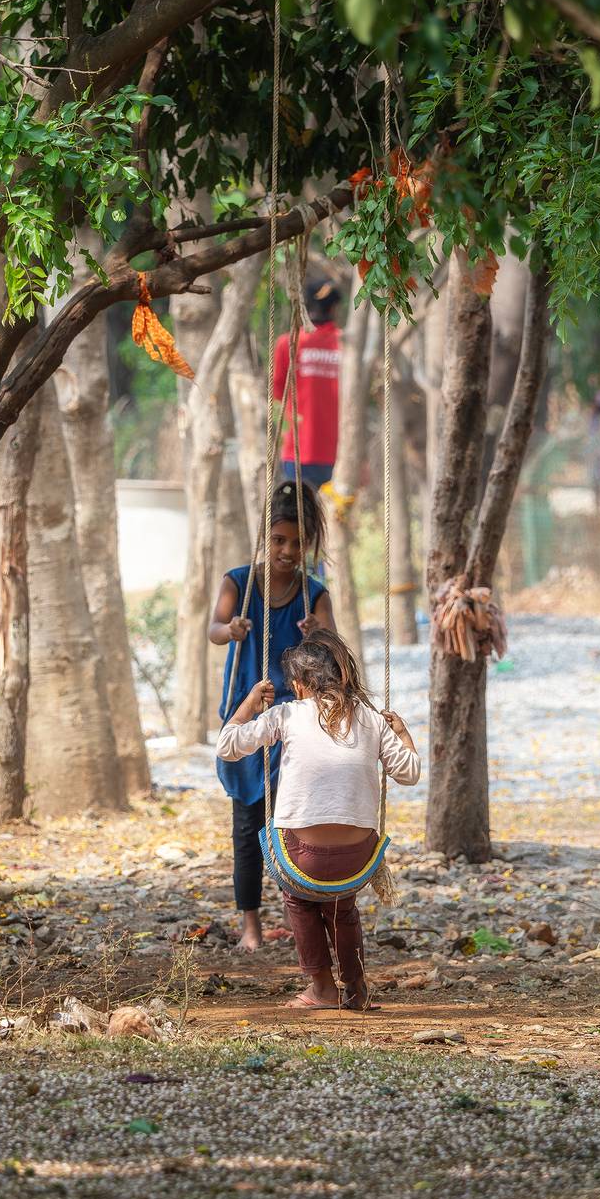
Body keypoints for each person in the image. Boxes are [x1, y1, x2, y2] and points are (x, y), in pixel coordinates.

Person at [215, 630, 420, 1010]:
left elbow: (227, 747)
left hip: (301, 858)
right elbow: (409, 773)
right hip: (357, 859)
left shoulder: (287, 713)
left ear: (299, 684)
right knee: (342, 906)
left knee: (299, 899)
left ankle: (323, 989)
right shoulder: (373, 720)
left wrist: (248, 705)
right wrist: (403, 733)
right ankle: (356, 987)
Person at [209, 480, 336, 951]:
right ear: (265, 537)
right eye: (279, 540)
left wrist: (318, 633)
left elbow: (332, 650)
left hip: (296, 726)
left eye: (298, 543)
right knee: (247, 826)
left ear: (310, 545)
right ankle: (250, 926)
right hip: (247, 718)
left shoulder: (313, 594)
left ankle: (297, 914)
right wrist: (232, 629)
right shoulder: (239, 583)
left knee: (292, 823)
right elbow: (213, 629)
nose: (287, 551)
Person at [273, 279, 342, 487]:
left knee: (298, 506)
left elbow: (277, 395)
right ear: (334, 308)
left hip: (297, 448)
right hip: (338, 451)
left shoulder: (288, 343)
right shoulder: (345, 344)